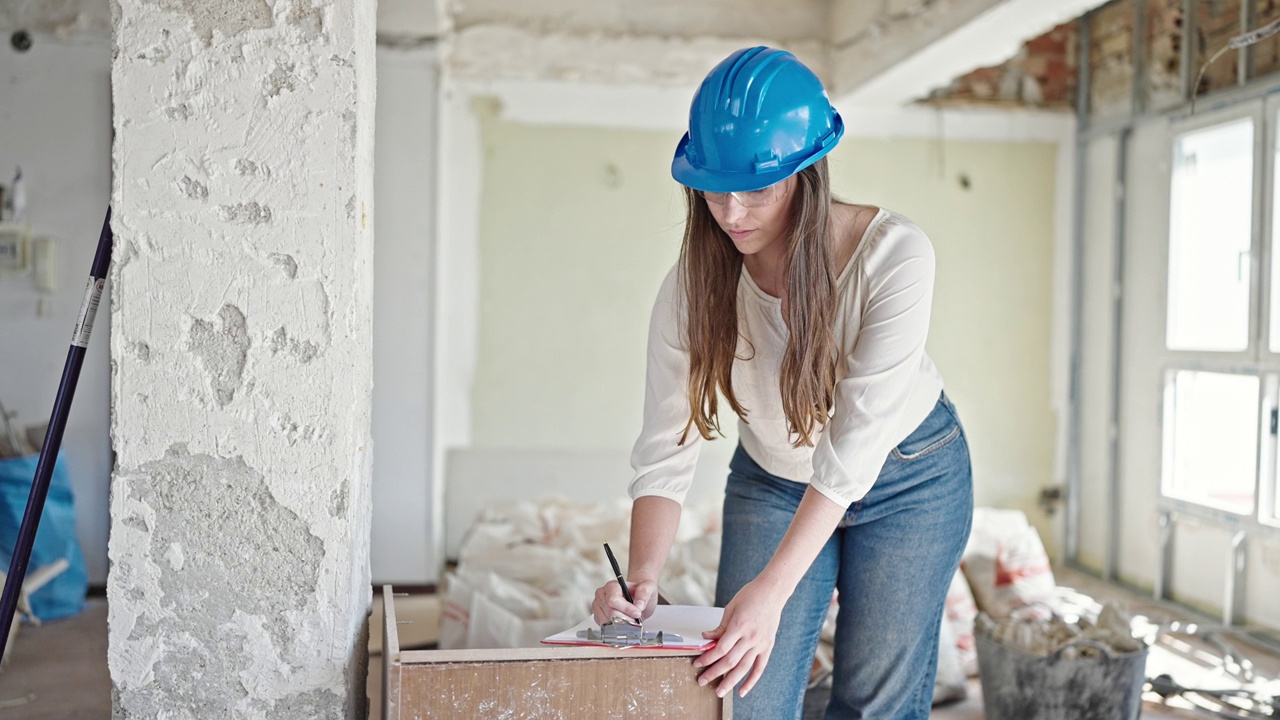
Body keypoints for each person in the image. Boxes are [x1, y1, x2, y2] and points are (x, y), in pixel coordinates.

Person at [590, 46, 974, 720]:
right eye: (715, 187)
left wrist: (772, 591)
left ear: (806, 171)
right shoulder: (690, 289)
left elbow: (852, 450)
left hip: (910, 477)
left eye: (758, 188)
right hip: (773, 478)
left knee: (873, 706)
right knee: (742, 695)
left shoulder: (895, 257)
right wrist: (643, 580)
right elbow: (664, 451)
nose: (733, 212)